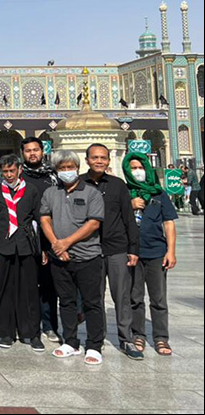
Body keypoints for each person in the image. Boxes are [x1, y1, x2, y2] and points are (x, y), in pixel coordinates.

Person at [40, 150, 106, 365]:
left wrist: (66, 242)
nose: (67, 172)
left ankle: (95, 344)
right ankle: (70, 341)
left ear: (77, 168)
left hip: (87, 256)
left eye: (70, 167)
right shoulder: (51, 192)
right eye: (62, 168)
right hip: (60, 258)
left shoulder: (91, 193)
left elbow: (93, 223)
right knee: (66, 301)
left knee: (92, 302)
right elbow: (45, 219)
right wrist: (56, 245)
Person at [79, 143, 139, 360]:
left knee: (121, 295)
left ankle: (126, 338)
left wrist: (133, 248)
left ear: (108, 160)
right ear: (87, 160)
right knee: (94, 296)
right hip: (90, 248)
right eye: (95, 157)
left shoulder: (117, 185)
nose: (99, 161)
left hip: (116, 248)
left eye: (103, 158)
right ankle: (96, 339)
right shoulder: (80, 185)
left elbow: (128, 217)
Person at [0, 154, 45, 351]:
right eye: (5, 172)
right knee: (5, 289)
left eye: (12, 171)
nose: (9, 175)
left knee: (29, 290)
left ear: (19, 169)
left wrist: (43, 247)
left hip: (26, 245)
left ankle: (32, 333)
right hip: (4, 246)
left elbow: (39, 219)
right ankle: (5, 332)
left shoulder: (31, 190)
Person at [124, 152, 177, 357]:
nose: (138, 171)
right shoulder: (125, 192)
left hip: (156, 252)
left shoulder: (158, 193)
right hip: (133, 253)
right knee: (135, 297)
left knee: (158, 298)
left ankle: (161, 337)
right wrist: (129, 205)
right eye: (134, 167)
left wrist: (171, 251)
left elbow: (169, 223)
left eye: (141, 167)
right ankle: (138, 334)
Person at [20, 136, 60, 345]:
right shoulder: (18, 176)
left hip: (50, 238)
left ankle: (50, 325)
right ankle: (28, 324)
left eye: (36, 150)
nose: (32, 153)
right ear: (23, 153)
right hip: (25, 239)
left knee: (48, 285)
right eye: (28, 151)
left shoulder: (52, 177)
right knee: (26, 285)